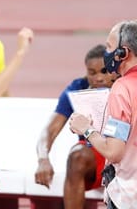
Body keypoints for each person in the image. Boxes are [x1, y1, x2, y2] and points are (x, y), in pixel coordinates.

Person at [35, 44, 118, 209]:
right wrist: (43, 159)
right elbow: (49, 130)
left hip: (121, 151)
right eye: (92, 73)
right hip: (94, 154)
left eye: (104, 71)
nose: (98, 78)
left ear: (113, 70)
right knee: (77, 156)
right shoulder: (77, 88)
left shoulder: (124, 87)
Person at [69, 20, 137, 209]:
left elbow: (114, 152)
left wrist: (87, 129)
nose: (106, 53)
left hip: (129, 196)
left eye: (109, 46)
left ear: (123, 52)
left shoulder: (122, 88)